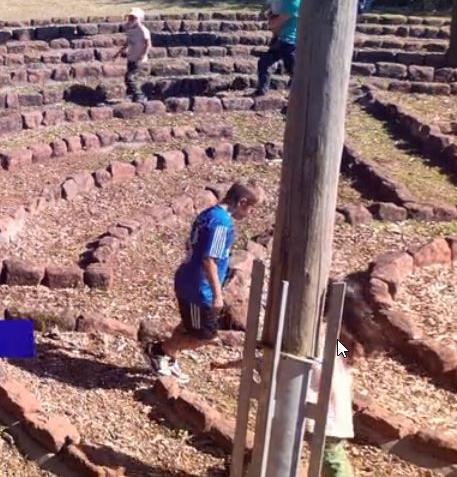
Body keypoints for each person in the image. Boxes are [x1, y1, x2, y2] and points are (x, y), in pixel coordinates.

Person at [145, 181, 264, 382]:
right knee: (204, 336)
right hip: (198, 288)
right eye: (251, 208)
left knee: (190, 325)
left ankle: (170, 357)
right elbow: (209, 259)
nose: (251, 213)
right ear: (242, 202)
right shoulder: (221, 224)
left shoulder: (210, 214)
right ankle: (158, 351)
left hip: (192, 282)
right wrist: (218, 295)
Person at [211, 342, 357, 476]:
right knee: (330, 454)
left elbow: (262, 361)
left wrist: (225, 365)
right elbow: (346, 359)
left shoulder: (315, 342)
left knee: (330, 457)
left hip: (324, 413)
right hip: (335, 409)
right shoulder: (334, 341)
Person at [255, 0, 302, 96]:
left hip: (291, 42)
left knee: (293, 71)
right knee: (264, 62)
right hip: (282, 39)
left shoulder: (295, 1)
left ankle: (298, 97)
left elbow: (277, 22)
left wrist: (271, 21)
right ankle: (262, 91)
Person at [114, 8, 151, 103]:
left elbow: (148, 44)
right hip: (131, 56)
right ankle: (132, 95)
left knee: (131, 78)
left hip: (139, 58)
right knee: (128, 77)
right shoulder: (129, 29)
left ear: (140, 19)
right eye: (130, 18)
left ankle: (140, 95)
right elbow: (128, 42)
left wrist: (143, 55)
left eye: (134, 18)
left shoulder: (143, 31)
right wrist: (119, 52)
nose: (131, 20)